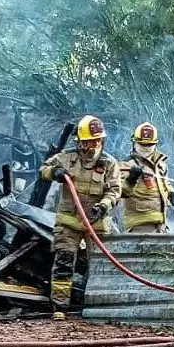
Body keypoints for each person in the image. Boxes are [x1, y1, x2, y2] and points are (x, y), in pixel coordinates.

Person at [40, 115, 121, 316]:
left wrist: (103, 207)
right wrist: (55, 173)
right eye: (89, 141)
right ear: (80, 141)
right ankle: (60, 308)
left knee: (99, 267)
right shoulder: (67, 157)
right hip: (68, 223)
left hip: (97, 223)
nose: (94, 144)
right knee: (64, 263)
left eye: (98, 140)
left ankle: (96, 308)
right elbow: (43, 170)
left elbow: (115, 191)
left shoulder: (109, 163)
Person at [119, 122, 174, 233]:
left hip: (161, 225)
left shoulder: (160, 165)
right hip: (139, 226)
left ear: (155, 144)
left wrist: (172, 195)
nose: (146, 148)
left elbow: (165, 183)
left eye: (149, 145)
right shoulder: (126, 165)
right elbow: (119, 192)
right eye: (143, 145)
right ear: (135, 143)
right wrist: (131, 179)